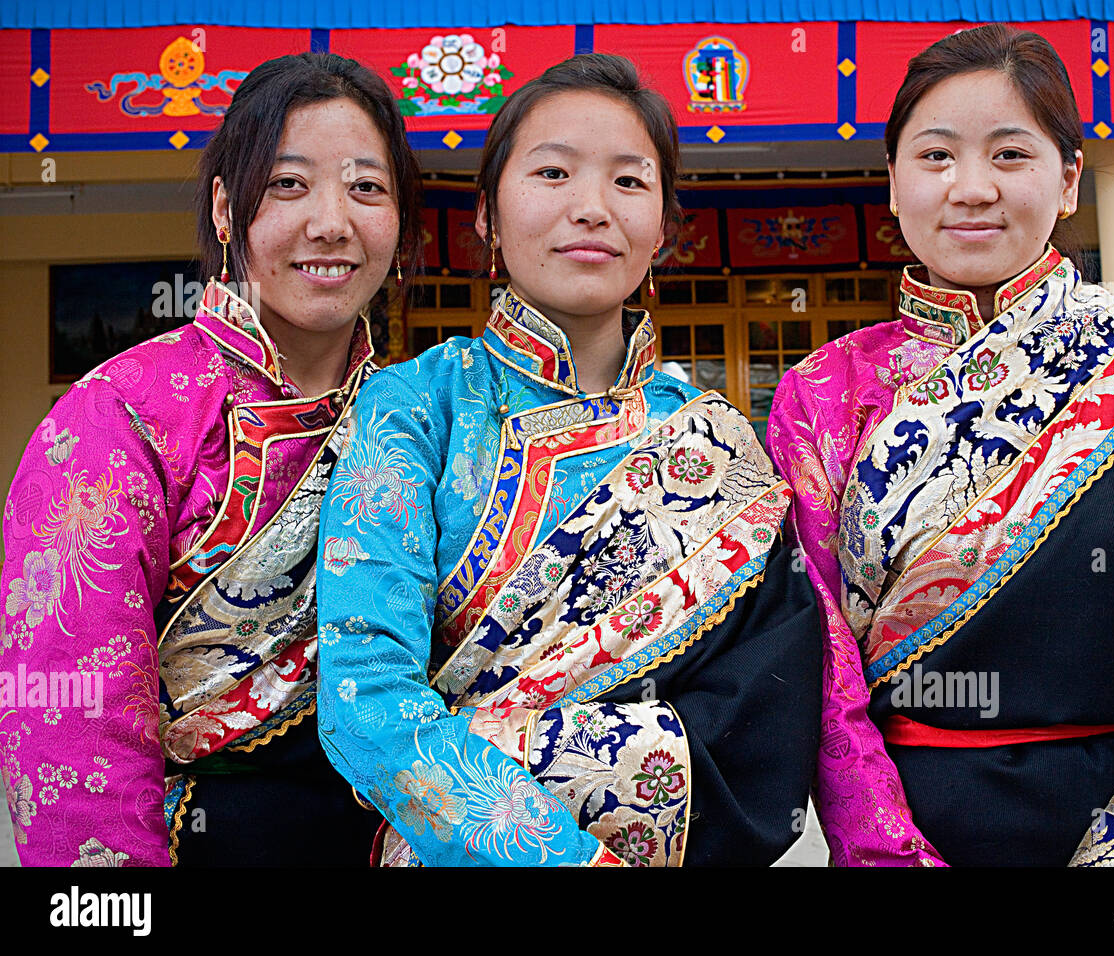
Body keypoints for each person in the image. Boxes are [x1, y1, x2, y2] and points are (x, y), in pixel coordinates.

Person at [767, 24, 1114, 867]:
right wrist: (885, 847)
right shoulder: (824, 391)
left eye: (1010, 155)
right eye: (935, 157)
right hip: (909, 825)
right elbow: (817, 654)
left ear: (1069, 180)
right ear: (894, 184)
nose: (971, 189)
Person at [315, 53, 820, 867]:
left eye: (629, 181)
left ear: (663, 225)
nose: (592, 208)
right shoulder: (415, 405)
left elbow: (762, 722)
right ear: (485, 216)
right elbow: (363, 695)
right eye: (552, 172)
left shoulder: (721, 443)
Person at [1, 52, 424, 865]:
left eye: (367, 188)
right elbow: (67, 717)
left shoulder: (422, 412)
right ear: (228, 209)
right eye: (290, 185)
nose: (332, 223)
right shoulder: (122, 414)